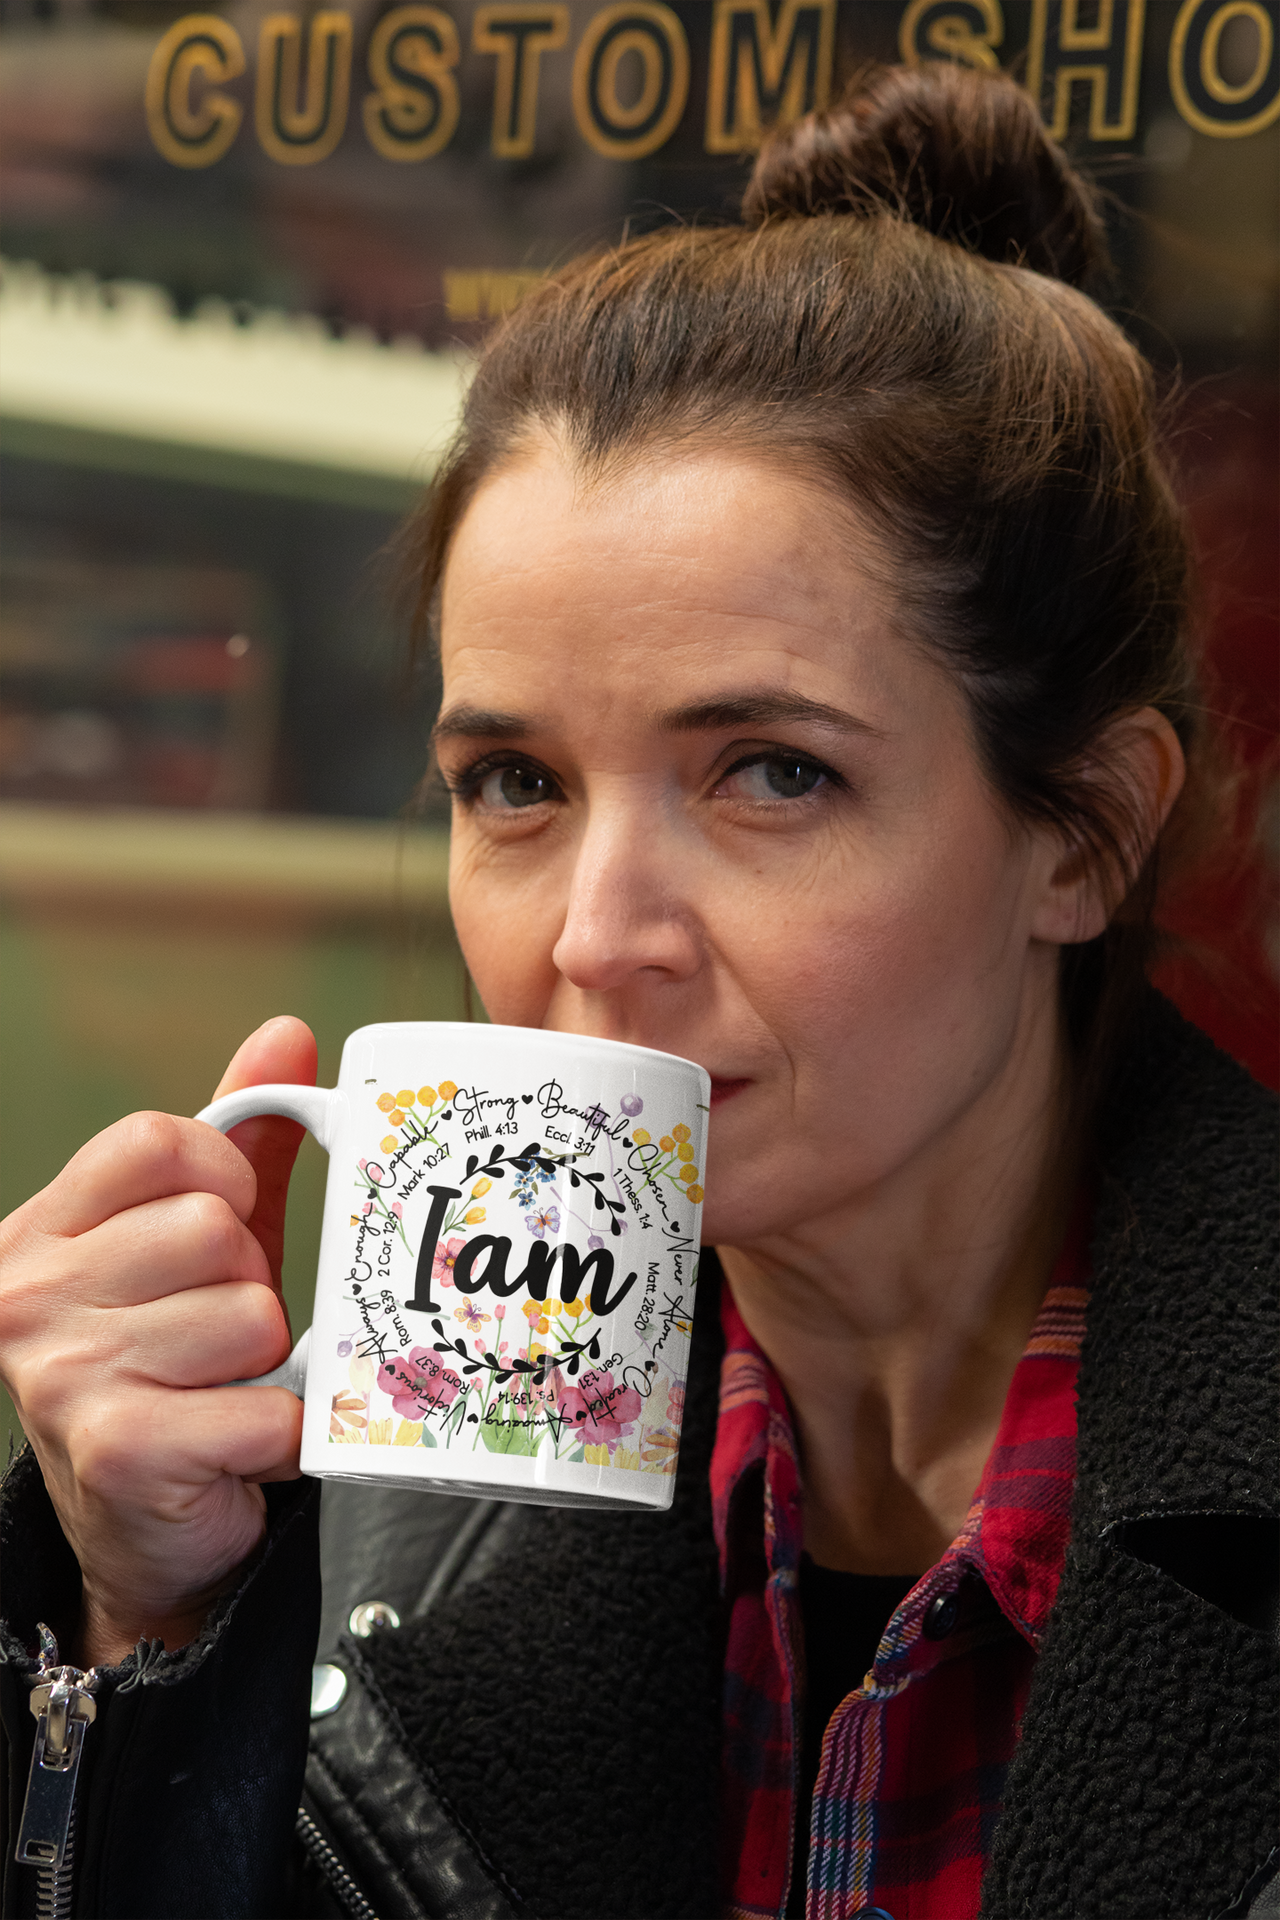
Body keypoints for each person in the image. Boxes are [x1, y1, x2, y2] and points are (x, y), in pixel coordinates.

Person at [0, 60, 1275, 1920]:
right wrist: (148, 1628)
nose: (597, 935)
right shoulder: (386, 1512)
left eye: (771, 773)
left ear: (1082, 834)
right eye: (515, 784)